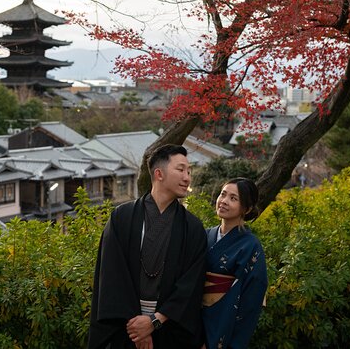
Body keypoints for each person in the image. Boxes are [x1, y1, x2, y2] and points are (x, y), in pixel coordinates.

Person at [89, 144, 207, 349]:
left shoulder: (193, 228)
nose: (187, 177)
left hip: (169, 326)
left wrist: (155, 321)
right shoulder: (122, 218)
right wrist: (138, 329)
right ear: (159, 173)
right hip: (127, 328)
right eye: (180, 170)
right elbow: (111, 276)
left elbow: (191, 284)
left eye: (189, 171)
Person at [202, 178, 268, 349]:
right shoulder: (205, 236)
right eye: (223, 194)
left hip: (225, 319)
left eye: (233, 198)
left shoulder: (251, 246)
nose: (223, 201)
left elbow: (251, 301)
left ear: (246, 209)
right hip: (194, 320)